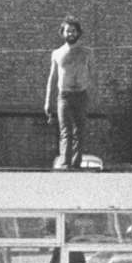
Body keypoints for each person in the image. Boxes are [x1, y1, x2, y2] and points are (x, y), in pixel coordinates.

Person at [44, 15, 93, 169]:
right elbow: (52, 78)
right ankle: (65, 164)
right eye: (67, 31)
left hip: (81, 95)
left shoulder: (87, 52)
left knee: (80, 131)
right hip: (64, 96)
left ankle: (76, 164)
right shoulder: (57, 53)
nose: (70, 34)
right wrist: (47, 101)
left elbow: (94, 74)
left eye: (73, 31)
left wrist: (96, 96)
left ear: (78, 33)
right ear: (63, 33)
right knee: (66, 131)